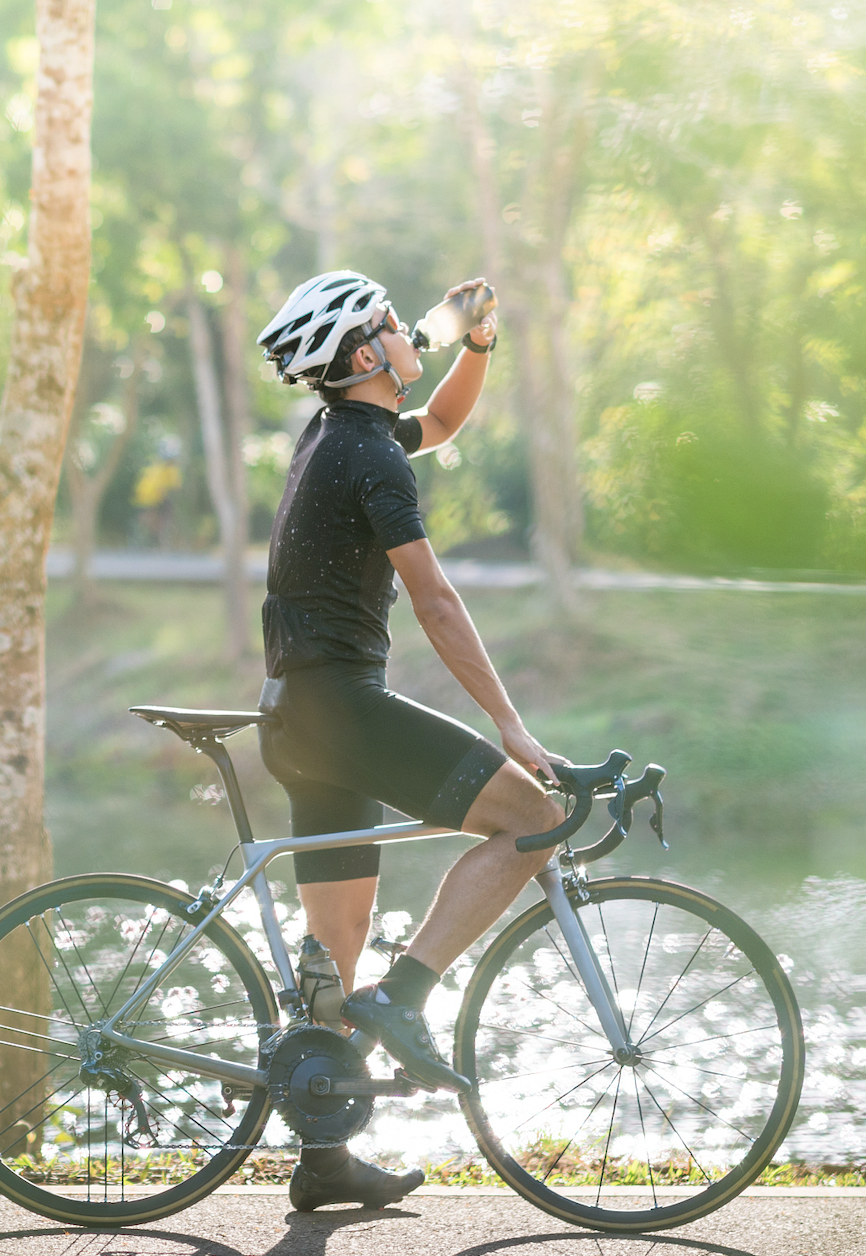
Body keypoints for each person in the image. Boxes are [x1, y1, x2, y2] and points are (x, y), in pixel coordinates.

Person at [251, 270, 570, 1210]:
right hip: (339, 711)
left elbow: (443, 423)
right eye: (393, 324)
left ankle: (325, 1161)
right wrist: (510, 725)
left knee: (335, 957)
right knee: (532, 818)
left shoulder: (338, 437)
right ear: (363, 354)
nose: (406, 331)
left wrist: (474, 343)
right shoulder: (367, 457)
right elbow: (433, 597)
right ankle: (410, 992)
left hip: (295, 714)